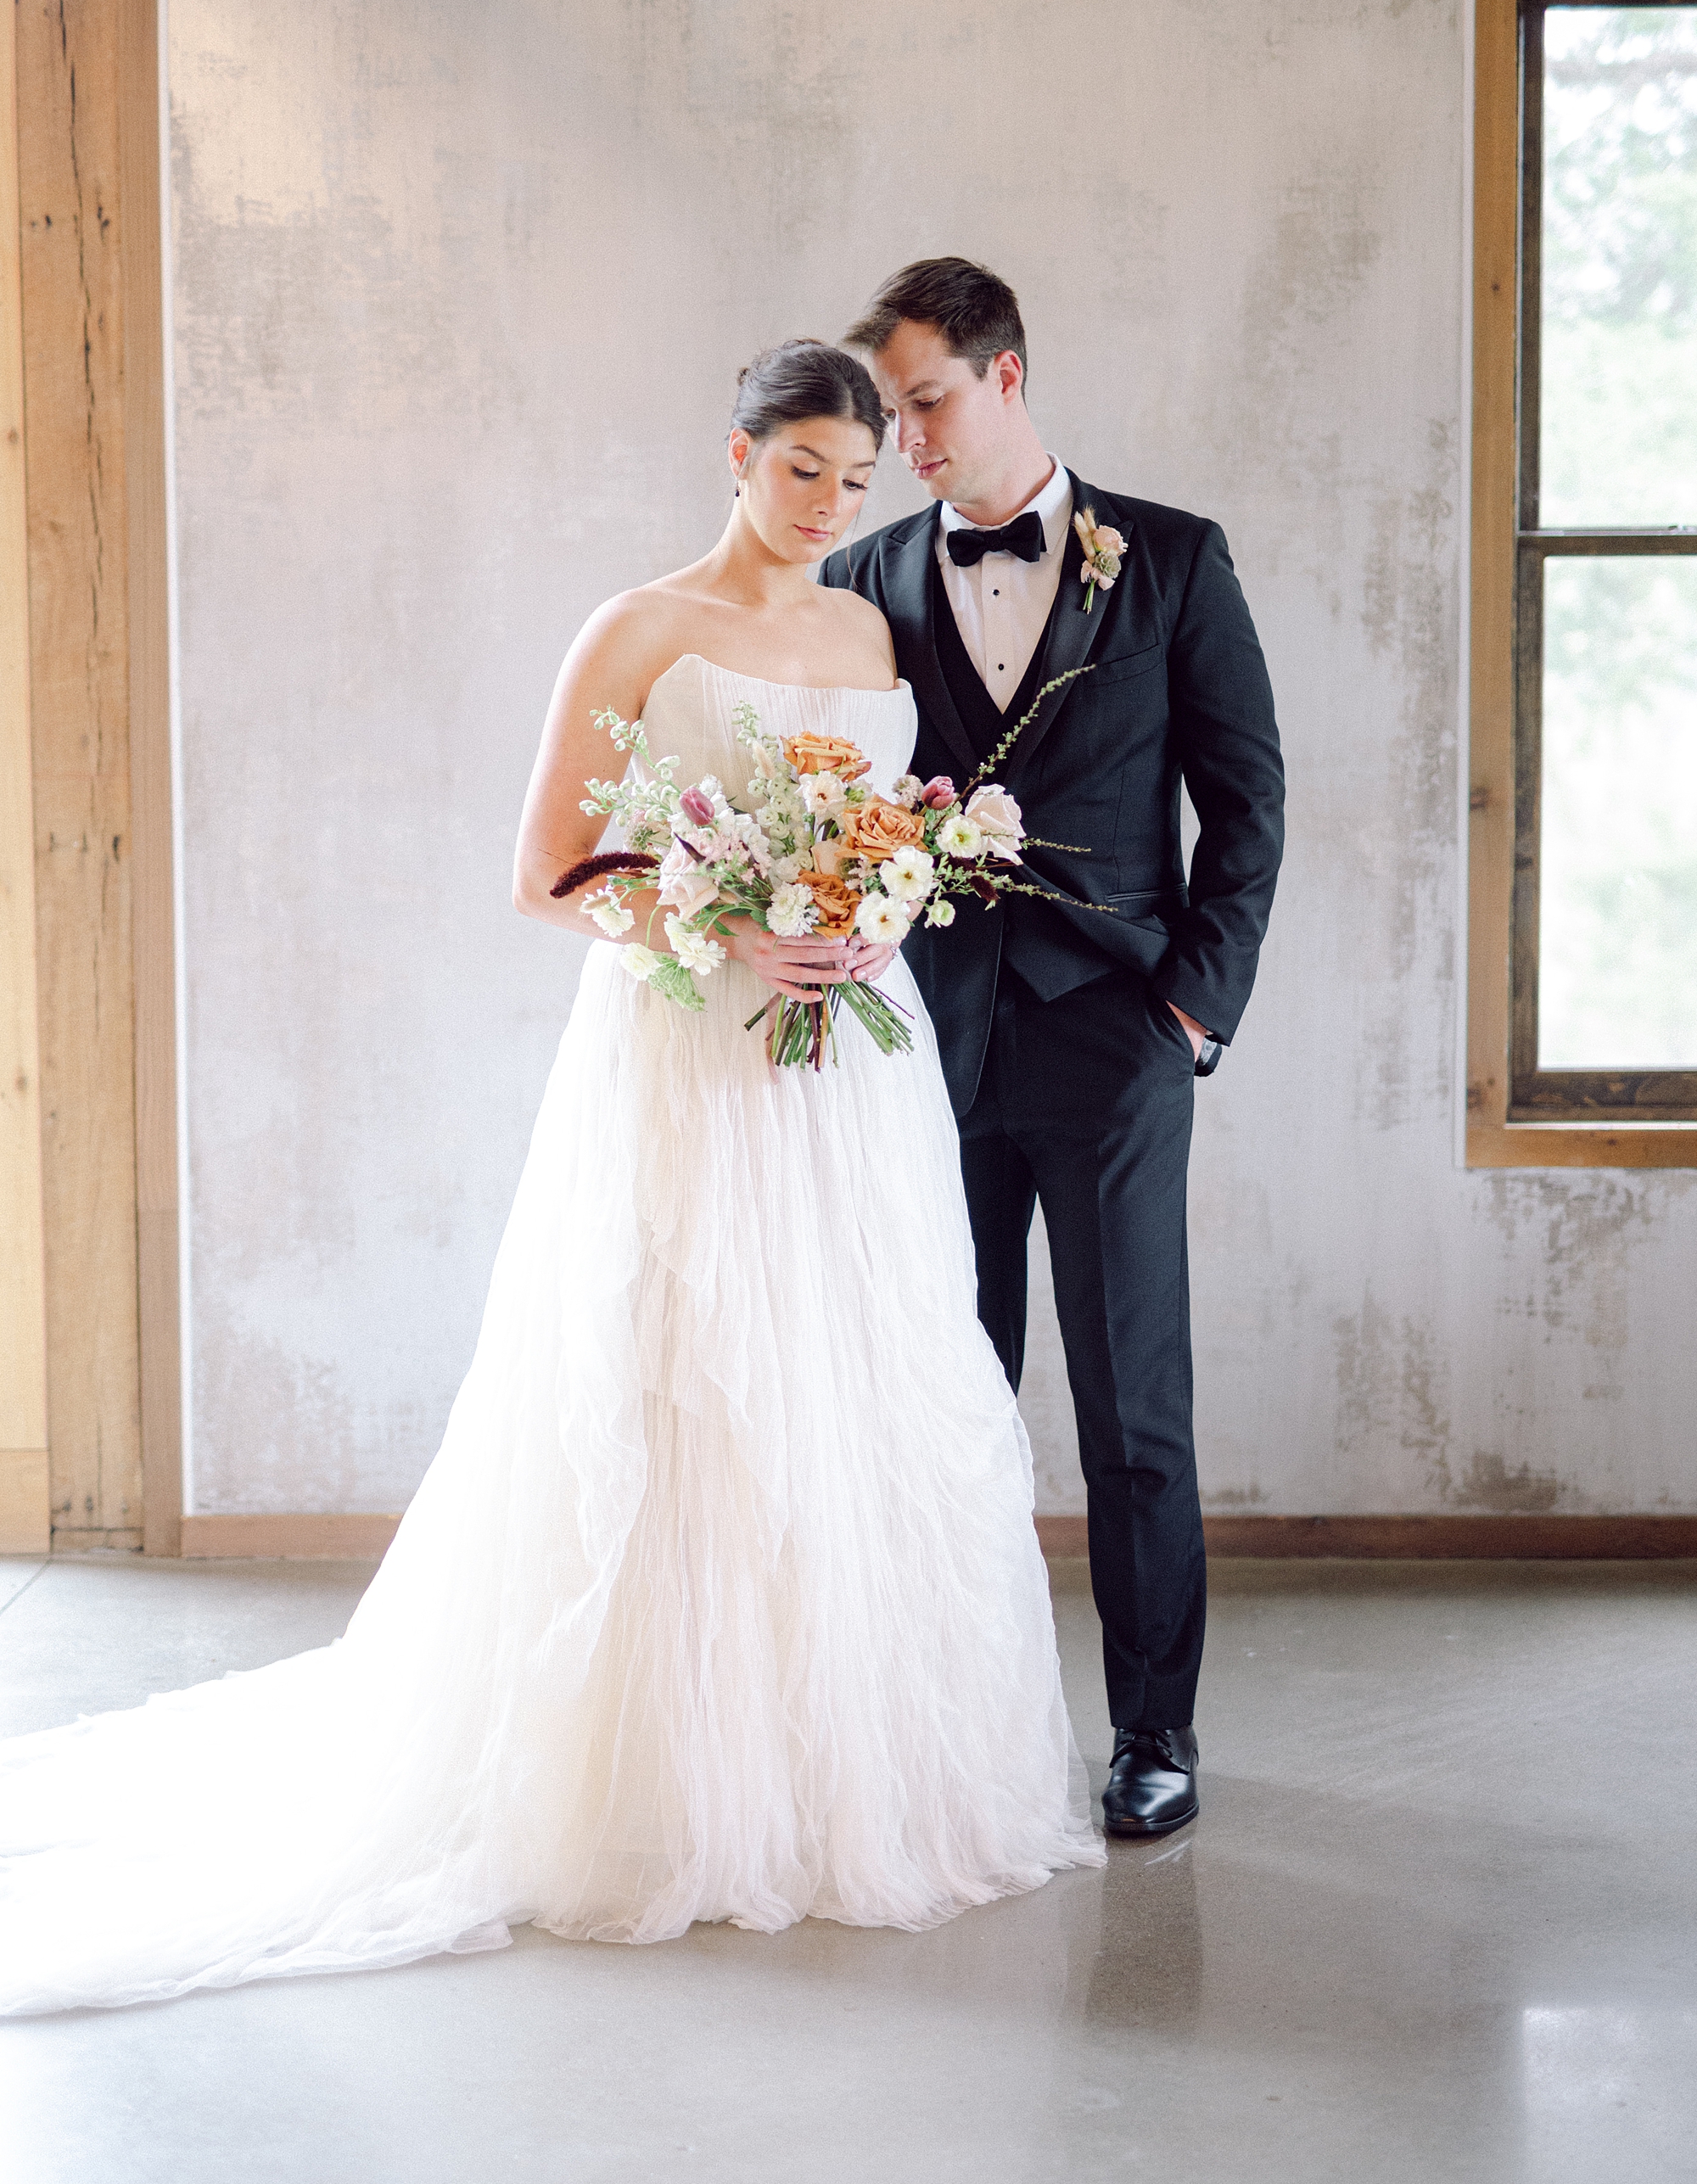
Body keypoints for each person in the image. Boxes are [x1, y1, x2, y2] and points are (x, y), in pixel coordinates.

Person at [0, 339, 1100, 2018]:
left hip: (842, 1081)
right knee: (679, 1367)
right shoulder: (638, 627)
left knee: (848, 1370)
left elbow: (890, 831)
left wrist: (866, 909)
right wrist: (731, 916)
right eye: (800, 466)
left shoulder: (868, 633)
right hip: (683, 1051)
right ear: (731, 451)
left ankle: (831, 1773)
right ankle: (651, 1786)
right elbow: (548, 871)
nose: (825, 505)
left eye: (854, 481)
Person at [821, 261, 1284, 1839]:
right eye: (891, 412)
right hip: (922, 1051)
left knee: (1130, 1405)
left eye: (929, 401)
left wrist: (1191, 1010)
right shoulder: (864, 577)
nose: (908, 439)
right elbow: (836, 795)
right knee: (944, 1394)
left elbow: (1249, 799)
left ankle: (1156, 1730)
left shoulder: (1169, 559)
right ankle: (949, 1728)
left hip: (1114, 1043)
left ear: (1008, 377)